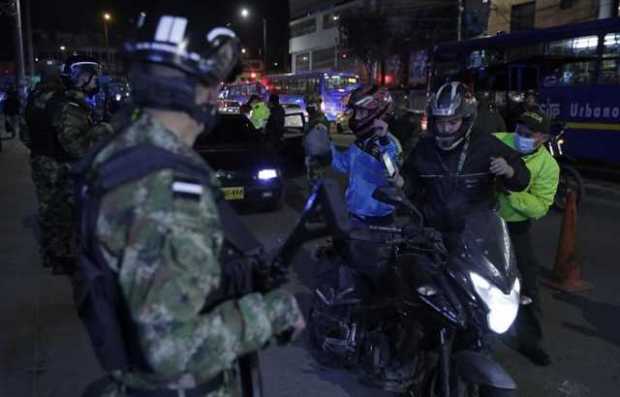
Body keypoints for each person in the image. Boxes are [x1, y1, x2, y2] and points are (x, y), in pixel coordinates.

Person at [78, 11, 304, 397]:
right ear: (190, 89)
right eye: (212, 84)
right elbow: (172, 353)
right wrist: (276, 313)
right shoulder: (166, 190)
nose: (216, 96)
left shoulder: (120, 154)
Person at [401, 81, 530, 235]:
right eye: (440, 122)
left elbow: (522, 180)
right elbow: (411, 183)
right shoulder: (424, 147)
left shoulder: (486, 144)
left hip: (476, 235)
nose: (445, 129)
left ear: (466, 119)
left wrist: (509, 171)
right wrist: (400, 182)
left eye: (453, 122)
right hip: (432, 234)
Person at [495, 110, 559, 366]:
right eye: (519, 130)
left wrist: (511, 192)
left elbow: (541, 206)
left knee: (527, 283)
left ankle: (530, 342)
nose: (520, 135)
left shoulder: (547, 166)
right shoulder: (497, 140)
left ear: (542, 137)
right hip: (480, 220)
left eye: (528, 133)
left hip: (514, 226)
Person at [44, 55, 115, 274]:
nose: (96, 83)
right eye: (93, 78)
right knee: (68, 223)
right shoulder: (71, 108)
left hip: (72, 175)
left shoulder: (78, 105)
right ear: (82, 78)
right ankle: (66, 261)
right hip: (69, 175)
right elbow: (75, 147)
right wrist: (104, 129)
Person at [23, 66, 66, 268]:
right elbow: (64, 134)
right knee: (59, 209)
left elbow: (25, 133)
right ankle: (58, 255)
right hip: (55, 159)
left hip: (37, 157)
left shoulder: (33, 100)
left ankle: (48, 253)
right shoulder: (58, 102)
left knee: (45, 205)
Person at [303, 93, 331, 192]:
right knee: (318, 172)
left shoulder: (315, 120)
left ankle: (315, 191)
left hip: (314, 152)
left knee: (314, 173)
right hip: (323, 151)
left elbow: (308, 135)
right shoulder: (323, 119)